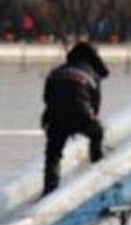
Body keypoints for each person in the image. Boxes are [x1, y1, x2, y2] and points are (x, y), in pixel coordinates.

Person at [41, 42, 110, 195]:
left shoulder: (57, 71)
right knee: (97, 134)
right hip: (81, 113)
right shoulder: (92, 74)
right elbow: (95, 104)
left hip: (56, 116)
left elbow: (46, 97)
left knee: (53, 153)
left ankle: (49, 188)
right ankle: (96, 167)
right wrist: (91, 123)